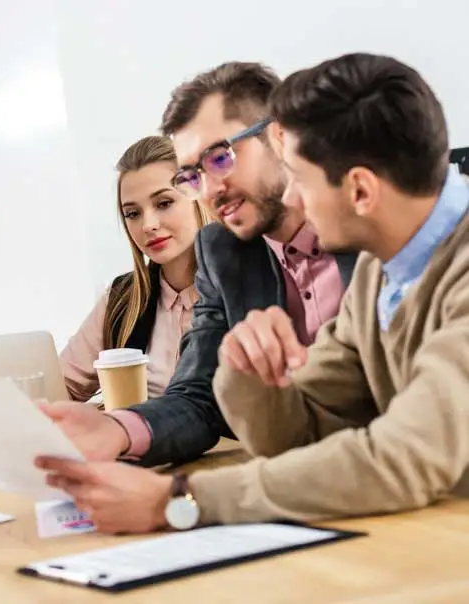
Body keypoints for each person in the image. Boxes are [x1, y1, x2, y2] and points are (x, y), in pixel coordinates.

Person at [36, 52, 469, 534]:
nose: (293, 199)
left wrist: (179, 500)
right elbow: (298, 428)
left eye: (300, 178)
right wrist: (246, 373)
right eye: (192, 175)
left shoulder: (389, 257)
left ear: (361, 192)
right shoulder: (380, 270)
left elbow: (404, 454)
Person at [40, 62, 356, 466]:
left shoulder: (368, 228)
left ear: (279, 137)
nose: (209, 189)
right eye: (192, 176)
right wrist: (118, 430)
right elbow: (196, 397)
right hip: (293, 476)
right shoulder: (223, 251)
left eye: (220, 159)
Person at [59, 135, 211, 401]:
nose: (148, 225)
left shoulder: (245, 289)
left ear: (200, 197)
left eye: (164, 203)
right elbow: (62, 388)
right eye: (132, 213)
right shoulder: (122, 299)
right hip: (142, 442)